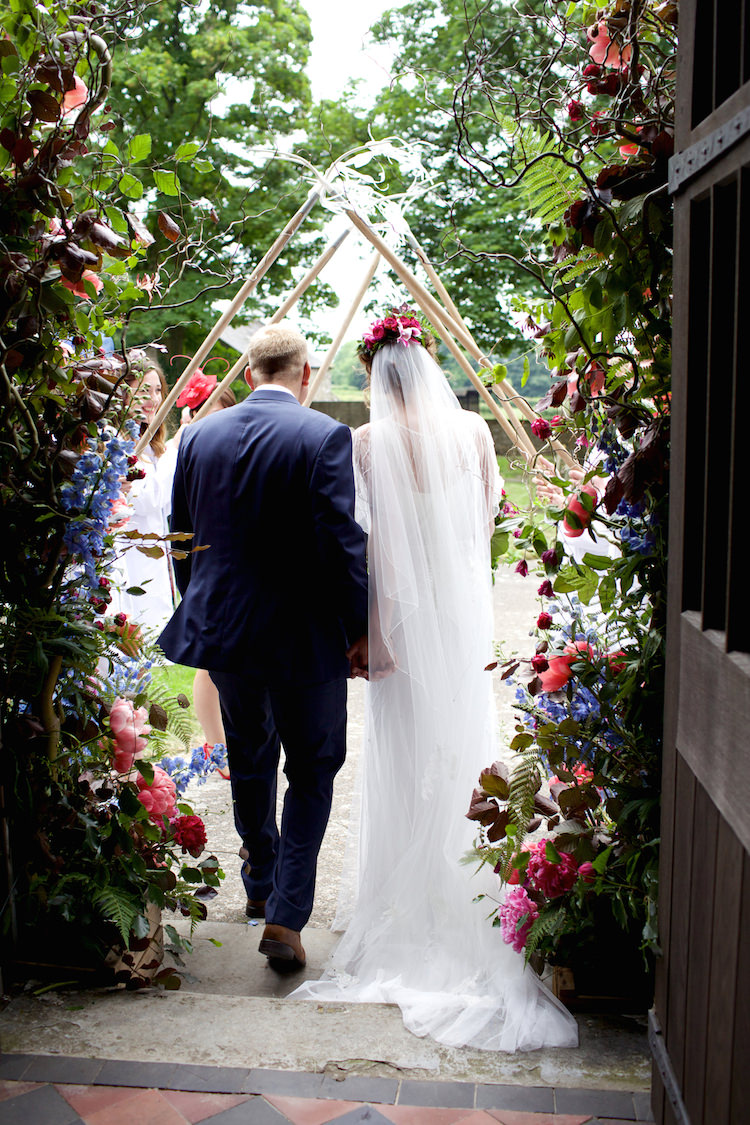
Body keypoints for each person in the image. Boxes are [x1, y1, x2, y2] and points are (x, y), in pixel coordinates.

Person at [292, 308, 578, 1052]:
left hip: (397, 624)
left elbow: (359, 536)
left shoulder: (363, 443)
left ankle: (404, 904)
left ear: (373, 378)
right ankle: (467, 895)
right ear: (427, 368)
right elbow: (484, 522)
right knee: (461, 743)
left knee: (405, 750)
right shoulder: (476, 434)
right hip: (459, 617)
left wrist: (366, 625)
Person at [158, 323, 368, 970]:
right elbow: (341, 542)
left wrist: (203, 606)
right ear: (305, 374)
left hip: (227, 630)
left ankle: (258, 891)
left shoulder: (198, 435)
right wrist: (359, 626)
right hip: (304, 636)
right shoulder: (323, 435)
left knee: (250, 759)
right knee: (312, 768)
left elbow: (182, 534)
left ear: (249, 373)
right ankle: (284, 913)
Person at [113, 352, 176, 633]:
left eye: (158, 390)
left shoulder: (152, 446)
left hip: (154, 552)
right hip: (128, 556)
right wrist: (177, 450)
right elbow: (147, 499)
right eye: (144, 391)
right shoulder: (118, 445)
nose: (153, 399)